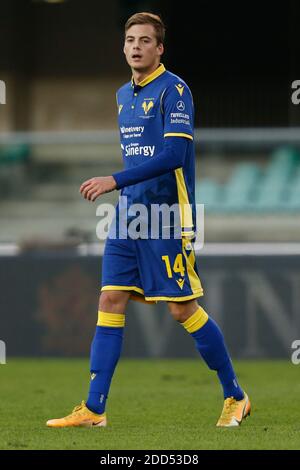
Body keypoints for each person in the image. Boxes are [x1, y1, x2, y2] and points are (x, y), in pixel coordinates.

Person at [46, 12, 251, 429]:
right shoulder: (123, 94)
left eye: (145, 40)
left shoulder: (175, 91)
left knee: (181, 309)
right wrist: (122, 191)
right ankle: (94, 408)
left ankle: (236, 395)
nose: (135, 46)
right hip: (128, 213)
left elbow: (174, 157)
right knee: (110, 299)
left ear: (160, 49)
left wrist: (114, 180)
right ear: (123, 47)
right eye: (129, 39)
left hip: (166, 215)